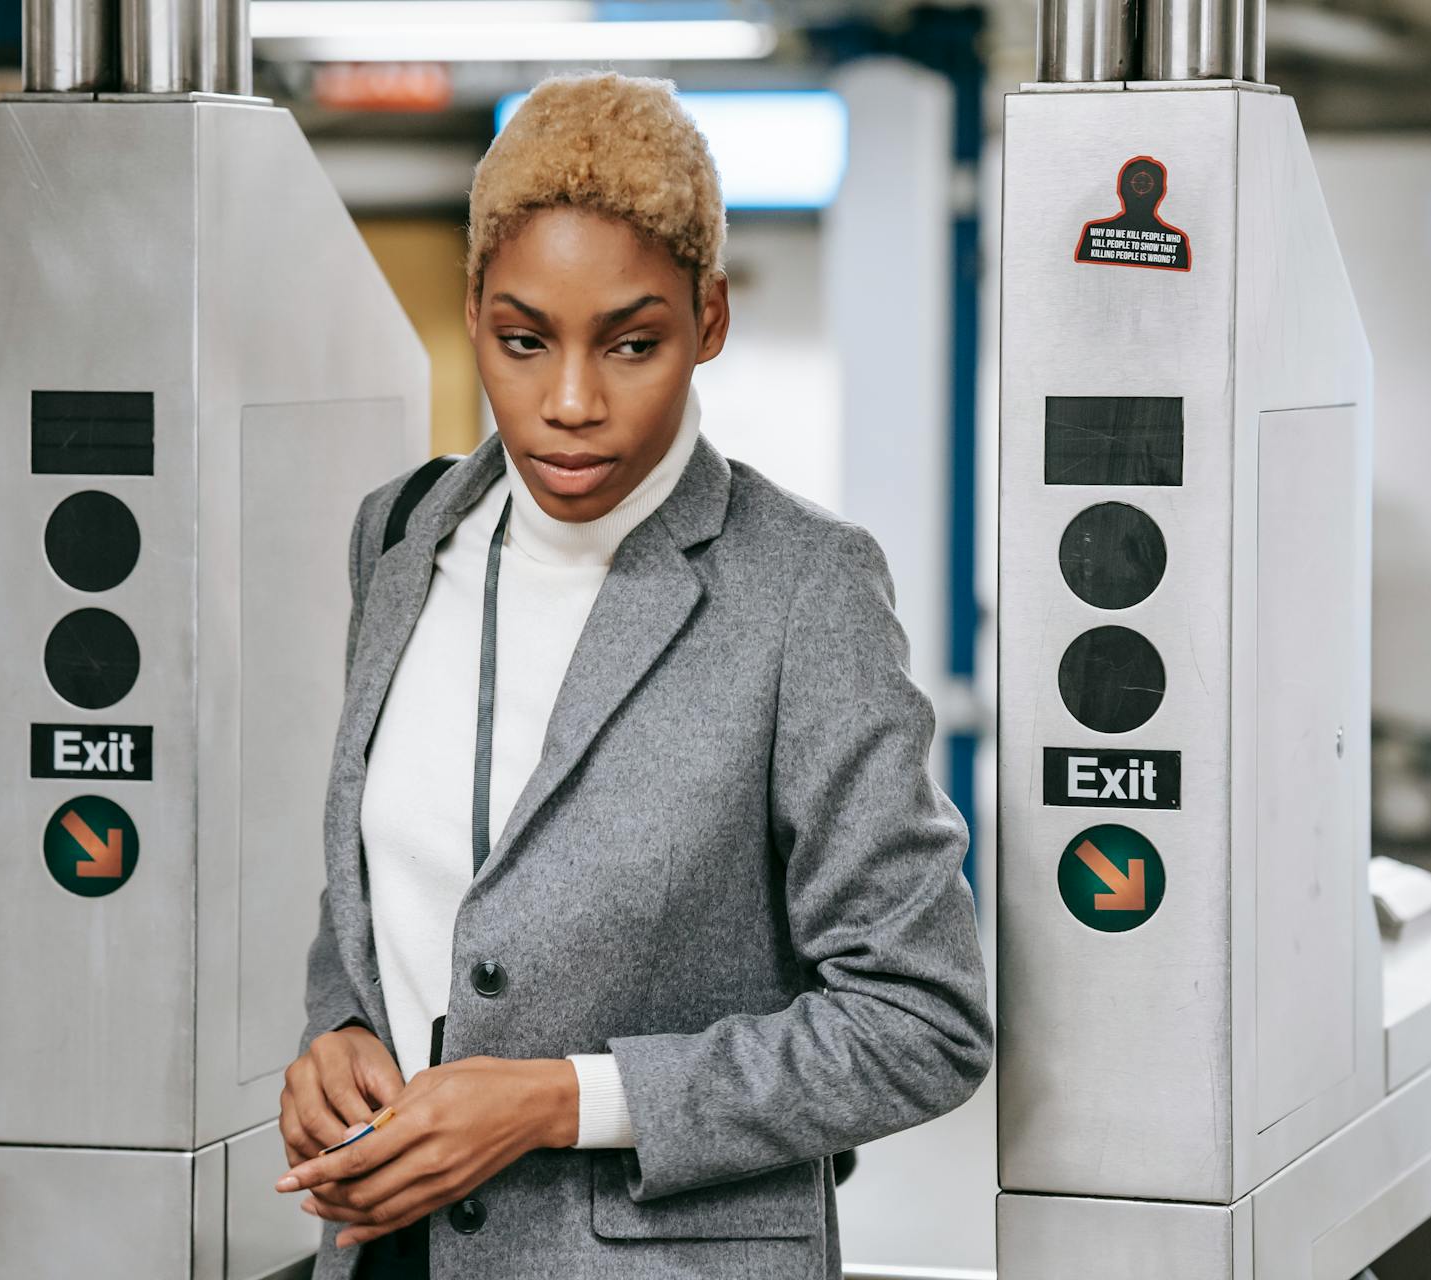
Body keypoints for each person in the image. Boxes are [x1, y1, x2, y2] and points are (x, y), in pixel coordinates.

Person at [274, 71, 993, 1280]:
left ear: (710, 319)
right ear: (471, 312)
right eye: (521, 339)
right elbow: (397, 893)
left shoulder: (802, 588)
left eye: (632, 343)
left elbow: (920, 1021)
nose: (568, 403)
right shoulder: (400, 539)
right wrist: (340, 1025)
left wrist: (563, 1099)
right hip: (392, 1256)